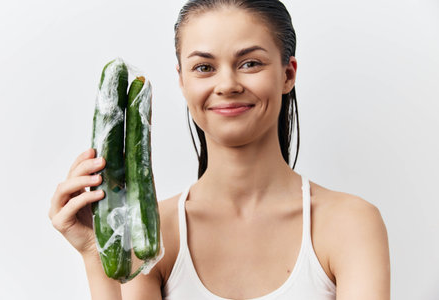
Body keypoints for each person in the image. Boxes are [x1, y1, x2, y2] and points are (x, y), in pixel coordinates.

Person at [49, 0, 391, 299]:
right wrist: (99, 251)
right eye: (204, 68)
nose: (227, 84)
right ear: (182, 81)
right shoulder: (153, 233)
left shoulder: (348, 224)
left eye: (250, 63)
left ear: (288, 74)